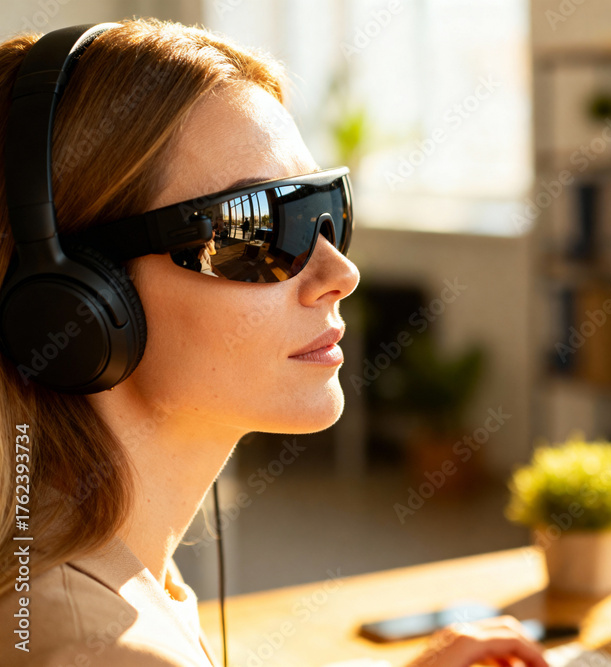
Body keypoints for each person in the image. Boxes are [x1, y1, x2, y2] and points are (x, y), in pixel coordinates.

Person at [0, 18, 549, 667]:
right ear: (78, 297)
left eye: (326, 210)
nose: (340, 274)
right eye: (258, 229)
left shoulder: (106, 570)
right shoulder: (107, 648)